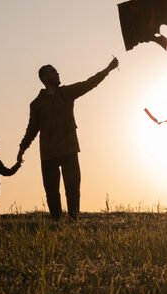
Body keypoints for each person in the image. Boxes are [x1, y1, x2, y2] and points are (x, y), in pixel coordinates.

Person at [17, 58, 118, 220]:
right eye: (52, 71)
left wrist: (108, 69)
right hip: (48, 152)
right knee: (51, 191)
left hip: (68, 149)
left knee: (72, 188)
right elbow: (32, 129)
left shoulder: (66, 92)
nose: (57, 73)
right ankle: (56, 221)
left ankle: (73, 220)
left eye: (56, 70)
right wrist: (22, 148)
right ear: (44, 79)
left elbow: (88, 84)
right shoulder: (36, 104)